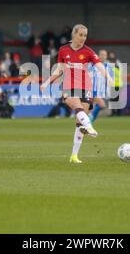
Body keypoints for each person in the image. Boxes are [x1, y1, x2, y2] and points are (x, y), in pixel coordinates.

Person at [40, 24, 113, 164]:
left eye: (85, 36)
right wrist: (47, 82)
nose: (83, 38)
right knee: (76, 107)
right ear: (74, 34)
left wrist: (108, 77)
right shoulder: (63, 50)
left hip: (85, 87)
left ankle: (74, 156)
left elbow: (99, 66)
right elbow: (59, 70)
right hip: (68, 86)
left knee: (79, 122)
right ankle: (90, 126)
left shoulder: (88, 51)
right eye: (80, 35)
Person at [89, 49, 111, 122]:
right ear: (98, 56)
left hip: (102, 91)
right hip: (94, 90)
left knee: (99, 107)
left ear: (106, 56)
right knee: (102, 105)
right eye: (101, 54)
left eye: (104, 55)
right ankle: (89, 118)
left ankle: (89, 122)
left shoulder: (108, 66)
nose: (103, 56)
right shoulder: (93, 64)